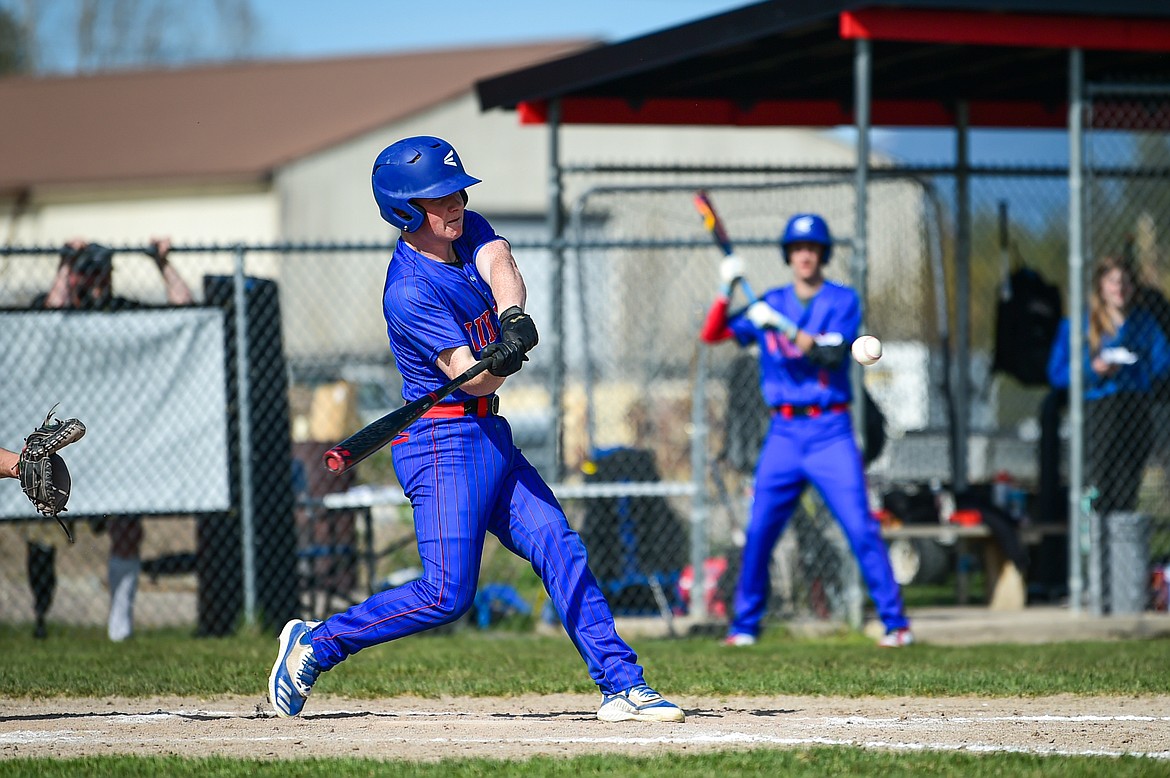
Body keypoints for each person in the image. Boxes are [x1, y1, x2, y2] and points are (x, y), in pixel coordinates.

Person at [267, 135, 684, 723]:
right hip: (443, 446)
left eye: (457, 190)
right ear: (405, 210)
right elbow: (473, 380)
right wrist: (503, 358)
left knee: (561, 548)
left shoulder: (462, 233)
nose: (456, 202)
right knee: (446, 596)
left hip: (491, 438)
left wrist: (511, 318)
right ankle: (316, 643)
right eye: (439, 197)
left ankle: (623, 684)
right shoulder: (410, 291)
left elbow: (501, 261)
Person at [698, 213, 913, 648]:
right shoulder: (771, 299)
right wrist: (726, 289)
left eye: (812, 249)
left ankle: (896, 624)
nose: (805, 256)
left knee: (860, 526)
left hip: (830, 429)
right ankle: (744, 627)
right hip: (783, 432)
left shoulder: (841, 300)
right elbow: (713, 334)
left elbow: (832, 356)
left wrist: (782, 325)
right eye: (798, 249)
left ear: (822, 254)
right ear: (788, 255)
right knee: (760, 531)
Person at [39, 237, 194, 641]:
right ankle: (40, 618)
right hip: (64, 436)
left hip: (116, 441)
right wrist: (65, 263)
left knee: (127, 526)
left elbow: (188, 311)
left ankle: (118, 627)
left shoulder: (122, 309)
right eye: (87, 271)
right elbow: (48, 314)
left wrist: (162, 265)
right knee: (38, 528)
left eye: (101, 271)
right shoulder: (58, 305)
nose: (96, 281)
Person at [1047, 253, 1170, 520]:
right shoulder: (1079, 324)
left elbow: (1163, 364)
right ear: (1101, 286)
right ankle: (1092, 544)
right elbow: (1057, 373)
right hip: (1100, 408)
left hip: (1135, 406)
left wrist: (1139, 366)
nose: (1120, 289)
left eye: (1126, 282)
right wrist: (1093, 368)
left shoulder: (1145, 323)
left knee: (1127, 487)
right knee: (1100, 483)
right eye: (1114, 282)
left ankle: (1119, 550)